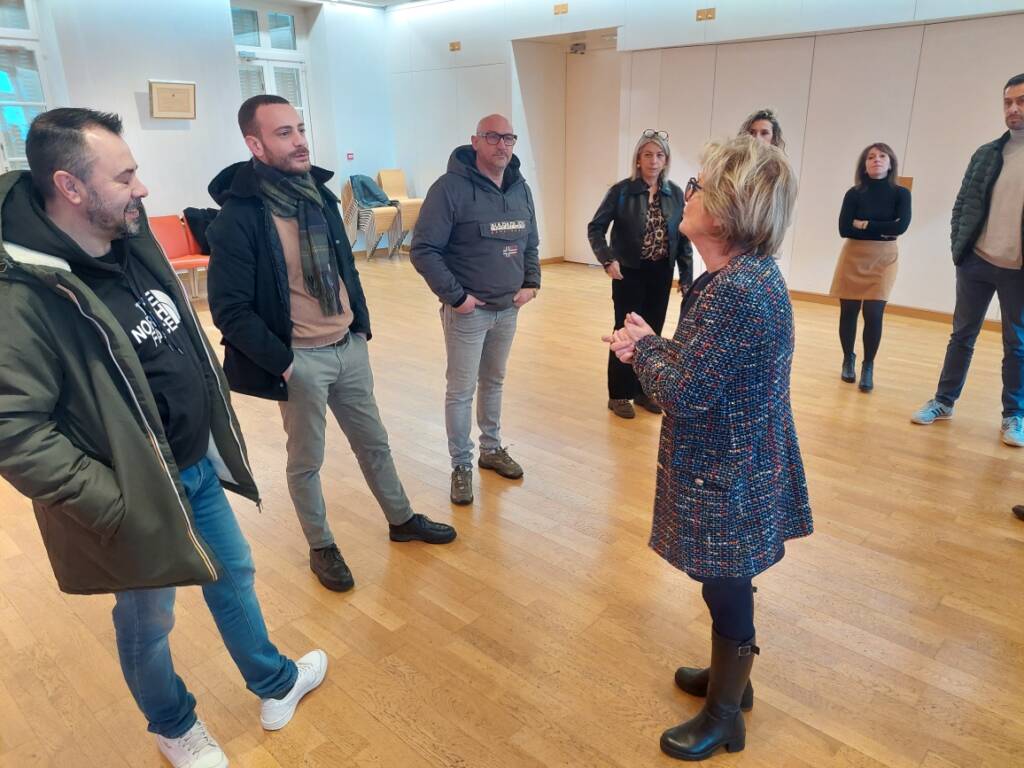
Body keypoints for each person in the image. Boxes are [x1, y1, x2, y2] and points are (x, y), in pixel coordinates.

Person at [0, 108, 325, 768]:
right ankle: (173, 726)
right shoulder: (23, 296)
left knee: (233, 573)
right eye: (124, 176)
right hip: (135, 496)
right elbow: (15, 431)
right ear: (70, 186)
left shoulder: (130, 236)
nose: (142, 188)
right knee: (149, 620)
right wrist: (115, 504)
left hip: (194, 466)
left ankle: (274, 681)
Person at [606, 136, 812, 761]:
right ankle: (732, 677)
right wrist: (656, 343)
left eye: (697, 186)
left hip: (728, 466)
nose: (686, 192)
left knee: (724, 578)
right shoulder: (739, 276)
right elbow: (707, 367)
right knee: (726, 575)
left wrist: (641, 350)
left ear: (726, 211)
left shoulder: (737, 290)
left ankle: (726, 715)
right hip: (737, 457)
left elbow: (686, 392)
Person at [207, 95, 455, 594]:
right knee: (306, 462)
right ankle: (321, 546)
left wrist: (360, 326)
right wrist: (284, 363)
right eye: (284, 133)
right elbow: (229, 310)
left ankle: (401, 519)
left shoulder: (316, 196)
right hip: (299, 361)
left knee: (374, 443)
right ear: (255, 144)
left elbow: (346, 270)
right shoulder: (240, 218)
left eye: (300, 129)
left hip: (347, 347)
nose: (300, 140)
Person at [410, 113, 541, 506]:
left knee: (494, 381)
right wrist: (457, 298)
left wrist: (531, 283)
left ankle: (491, 449)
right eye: (493, 137)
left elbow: (531, 242)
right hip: (468, 313)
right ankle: (461, 464)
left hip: (508, 309)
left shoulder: (520, 188)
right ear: (476, 141)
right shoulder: (448, 189)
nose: (502, 145)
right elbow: (423, 250)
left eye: (508, 138)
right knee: (461, 390)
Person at [911, 73, 1024, 446]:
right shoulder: (987, 154)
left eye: (1021, 101)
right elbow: (963, 203)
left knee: (1017, 345)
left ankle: (1014, 416)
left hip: (1018, 271)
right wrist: (959, 248)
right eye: (1008, 102)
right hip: (976, 262)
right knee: (961, 336)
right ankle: (943, 402)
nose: (1013, 108)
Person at [588, 129, 693, 419]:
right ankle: (619, 394)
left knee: (652, 332)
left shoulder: (674, 194)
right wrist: (607, 259)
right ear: (638, 159)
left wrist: (686, 278)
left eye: (659, 155)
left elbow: (683, 239)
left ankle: (644, 390)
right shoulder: (621, 192)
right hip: (629, 272)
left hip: (661, 272)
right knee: (625, 331)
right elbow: (595, 228)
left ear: (666, 160)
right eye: (647, 155)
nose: (653, 161)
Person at [830, 143, 911, 391]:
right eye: (871, 157)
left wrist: (864, 224)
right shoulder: (854, 193)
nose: (876, 159)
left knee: (874, 313)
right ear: (864, 165)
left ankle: (868, 365)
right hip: (854, 254)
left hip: (884, 257)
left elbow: (901, 227)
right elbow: (844, 228)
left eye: (882, 156)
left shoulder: (901, 193)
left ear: (890, 163)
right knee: (849, 311)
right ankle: (848, 358)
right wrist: (882, 226)